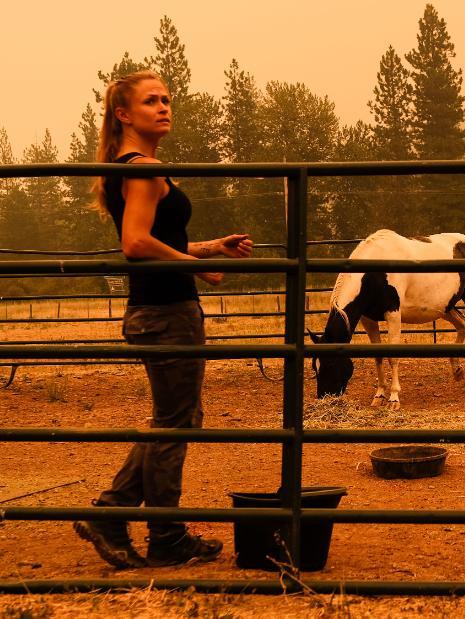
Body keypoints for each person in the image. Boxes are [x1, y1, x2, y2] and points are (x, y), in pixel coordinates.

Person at [75, 70, 254, 569]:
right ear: (123, 114)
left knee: (175, 419)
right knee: (174, 423)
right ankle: (165, 533)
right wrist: (194, 266)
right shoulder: (141, 169)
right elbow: (134, 243)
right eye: (151, 100)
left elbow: (157, 242)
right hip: (165, 313)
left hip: (163, 309)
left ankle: (115, 513)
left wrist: (206, 249)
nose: (164, 107)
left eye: (167, 99)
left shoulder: (137, 166)